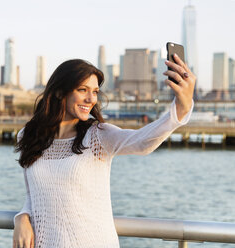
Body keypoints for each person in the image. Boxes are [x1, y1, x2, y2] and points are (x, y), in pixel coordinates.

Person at [13, 55, 195, 248]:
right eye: (82, 90)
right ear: (59, 92)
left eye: (95, 91)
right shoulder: (28, 135)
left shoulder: (98, 135)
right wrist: (21, 218)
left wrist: (181, 108)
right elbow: (33, 194)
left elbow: (143, 142)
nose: (91, 99)